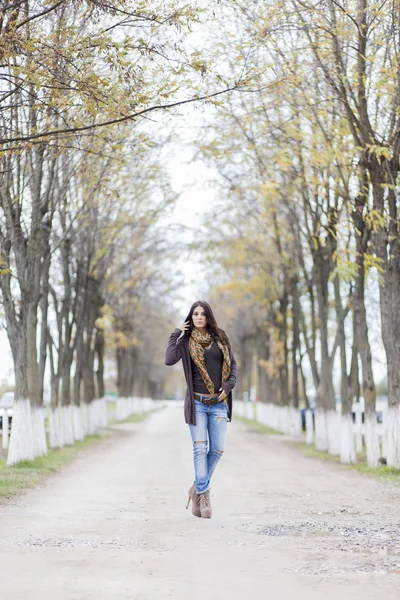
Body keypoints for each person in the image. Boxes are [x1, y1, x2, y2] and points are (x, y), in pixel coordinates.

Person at [165, 300, 238, 519]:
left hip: (218, 404)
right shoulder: (185, 341)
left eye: (202, 314)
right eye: (195, 314)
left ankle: (196, 487)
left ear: (208, 317)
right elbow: (169, 359)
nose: (199, 317)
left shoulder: (221, 338)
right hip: (197, 403)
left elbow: (233, 366)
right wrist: (177, 333)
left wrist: (228, 385)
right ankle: (204, 494)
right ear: (191, 317)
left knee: (217, 450)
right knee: (199, 449)